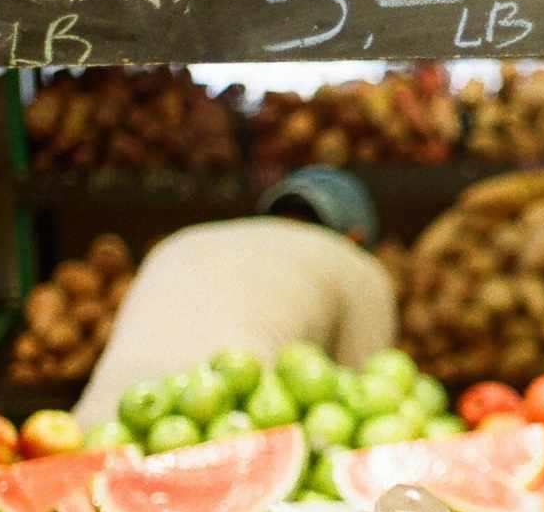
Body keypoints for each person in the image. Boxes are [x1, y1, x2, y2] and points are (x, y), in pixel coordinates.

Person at [71, 167, 397, 427]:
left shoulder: (182, 240)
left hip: (99, 427)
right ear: (356, 237)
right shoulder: (357, 263)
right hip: (226, 431)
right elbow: (365, 397)